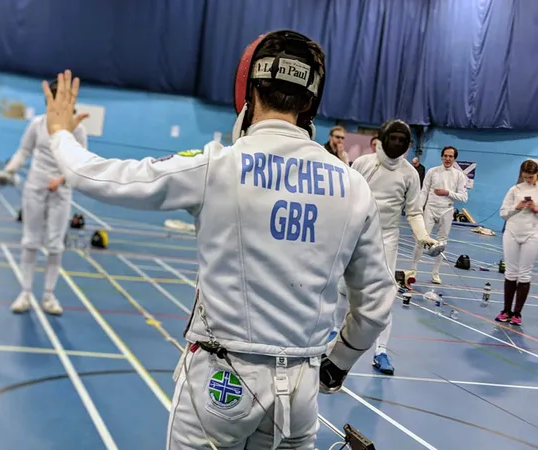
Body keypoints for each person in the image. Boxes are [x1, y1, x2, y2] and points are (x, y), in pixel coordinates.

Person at [43, 29, 394, 449]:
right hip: (300, 394)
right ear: (309, 103)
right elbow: (375, 304)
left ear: (250, 91)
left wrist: (60, 133)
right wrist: (336, 366)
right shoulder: (354, 186)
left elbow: (96, 176)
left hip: (221, 385)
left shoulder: (217, 166)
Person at [331, 119, 438, 376]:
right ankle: (332, 338)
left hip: (387, 237)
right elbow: (348, 199)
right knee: (342, 289)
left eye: (403, 141)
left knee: (384, 298)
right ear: (382, 138)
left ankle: (380, 351)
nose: (397, 144)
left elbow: (413, 211)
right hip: (356, 232)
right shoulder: (364, 164)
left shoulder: (410, 174)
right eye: (394, 138)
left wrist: (424, 236)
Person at [0, 79, 88, 315]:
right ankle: (25, 293)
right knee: (30, 241)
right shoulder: (38, 124)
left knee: (55, 245)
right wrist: (10, 170)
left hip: (61, 191)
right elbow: (24, 150)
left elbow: (80, 164)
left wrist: (62, 179)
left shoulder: (77, 129)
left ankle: (48, 296)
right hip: (35, 187)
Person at [406, 146, 467, 284]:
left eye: (451, 156)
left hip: (447, 210)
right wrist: (418, 211)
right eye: (445, 155)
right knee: (421, 239)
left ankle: (435, 273)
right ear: (441, 156)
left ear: (454, 159)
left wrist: (447, 193)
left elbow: (464, 197)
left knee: (441, 243)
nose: (447, 158)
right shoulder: (432, 171)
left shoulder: (459, 176)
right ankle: (413, 270)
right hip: (430, 209)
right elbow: (423, 192)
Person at [496, 159, 538, 327]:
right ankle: (506, 310)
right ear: (521, 174)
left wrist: (536, 208)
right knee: (511, 273)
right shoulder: (514, 190)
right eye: (526, 177)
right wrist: (518, 207)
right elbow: (503, 214)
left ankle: (517, 313)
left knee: (525, 274)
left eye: (532, 177)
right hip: (512, 233)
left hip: (532, 234)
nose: (529, 180)